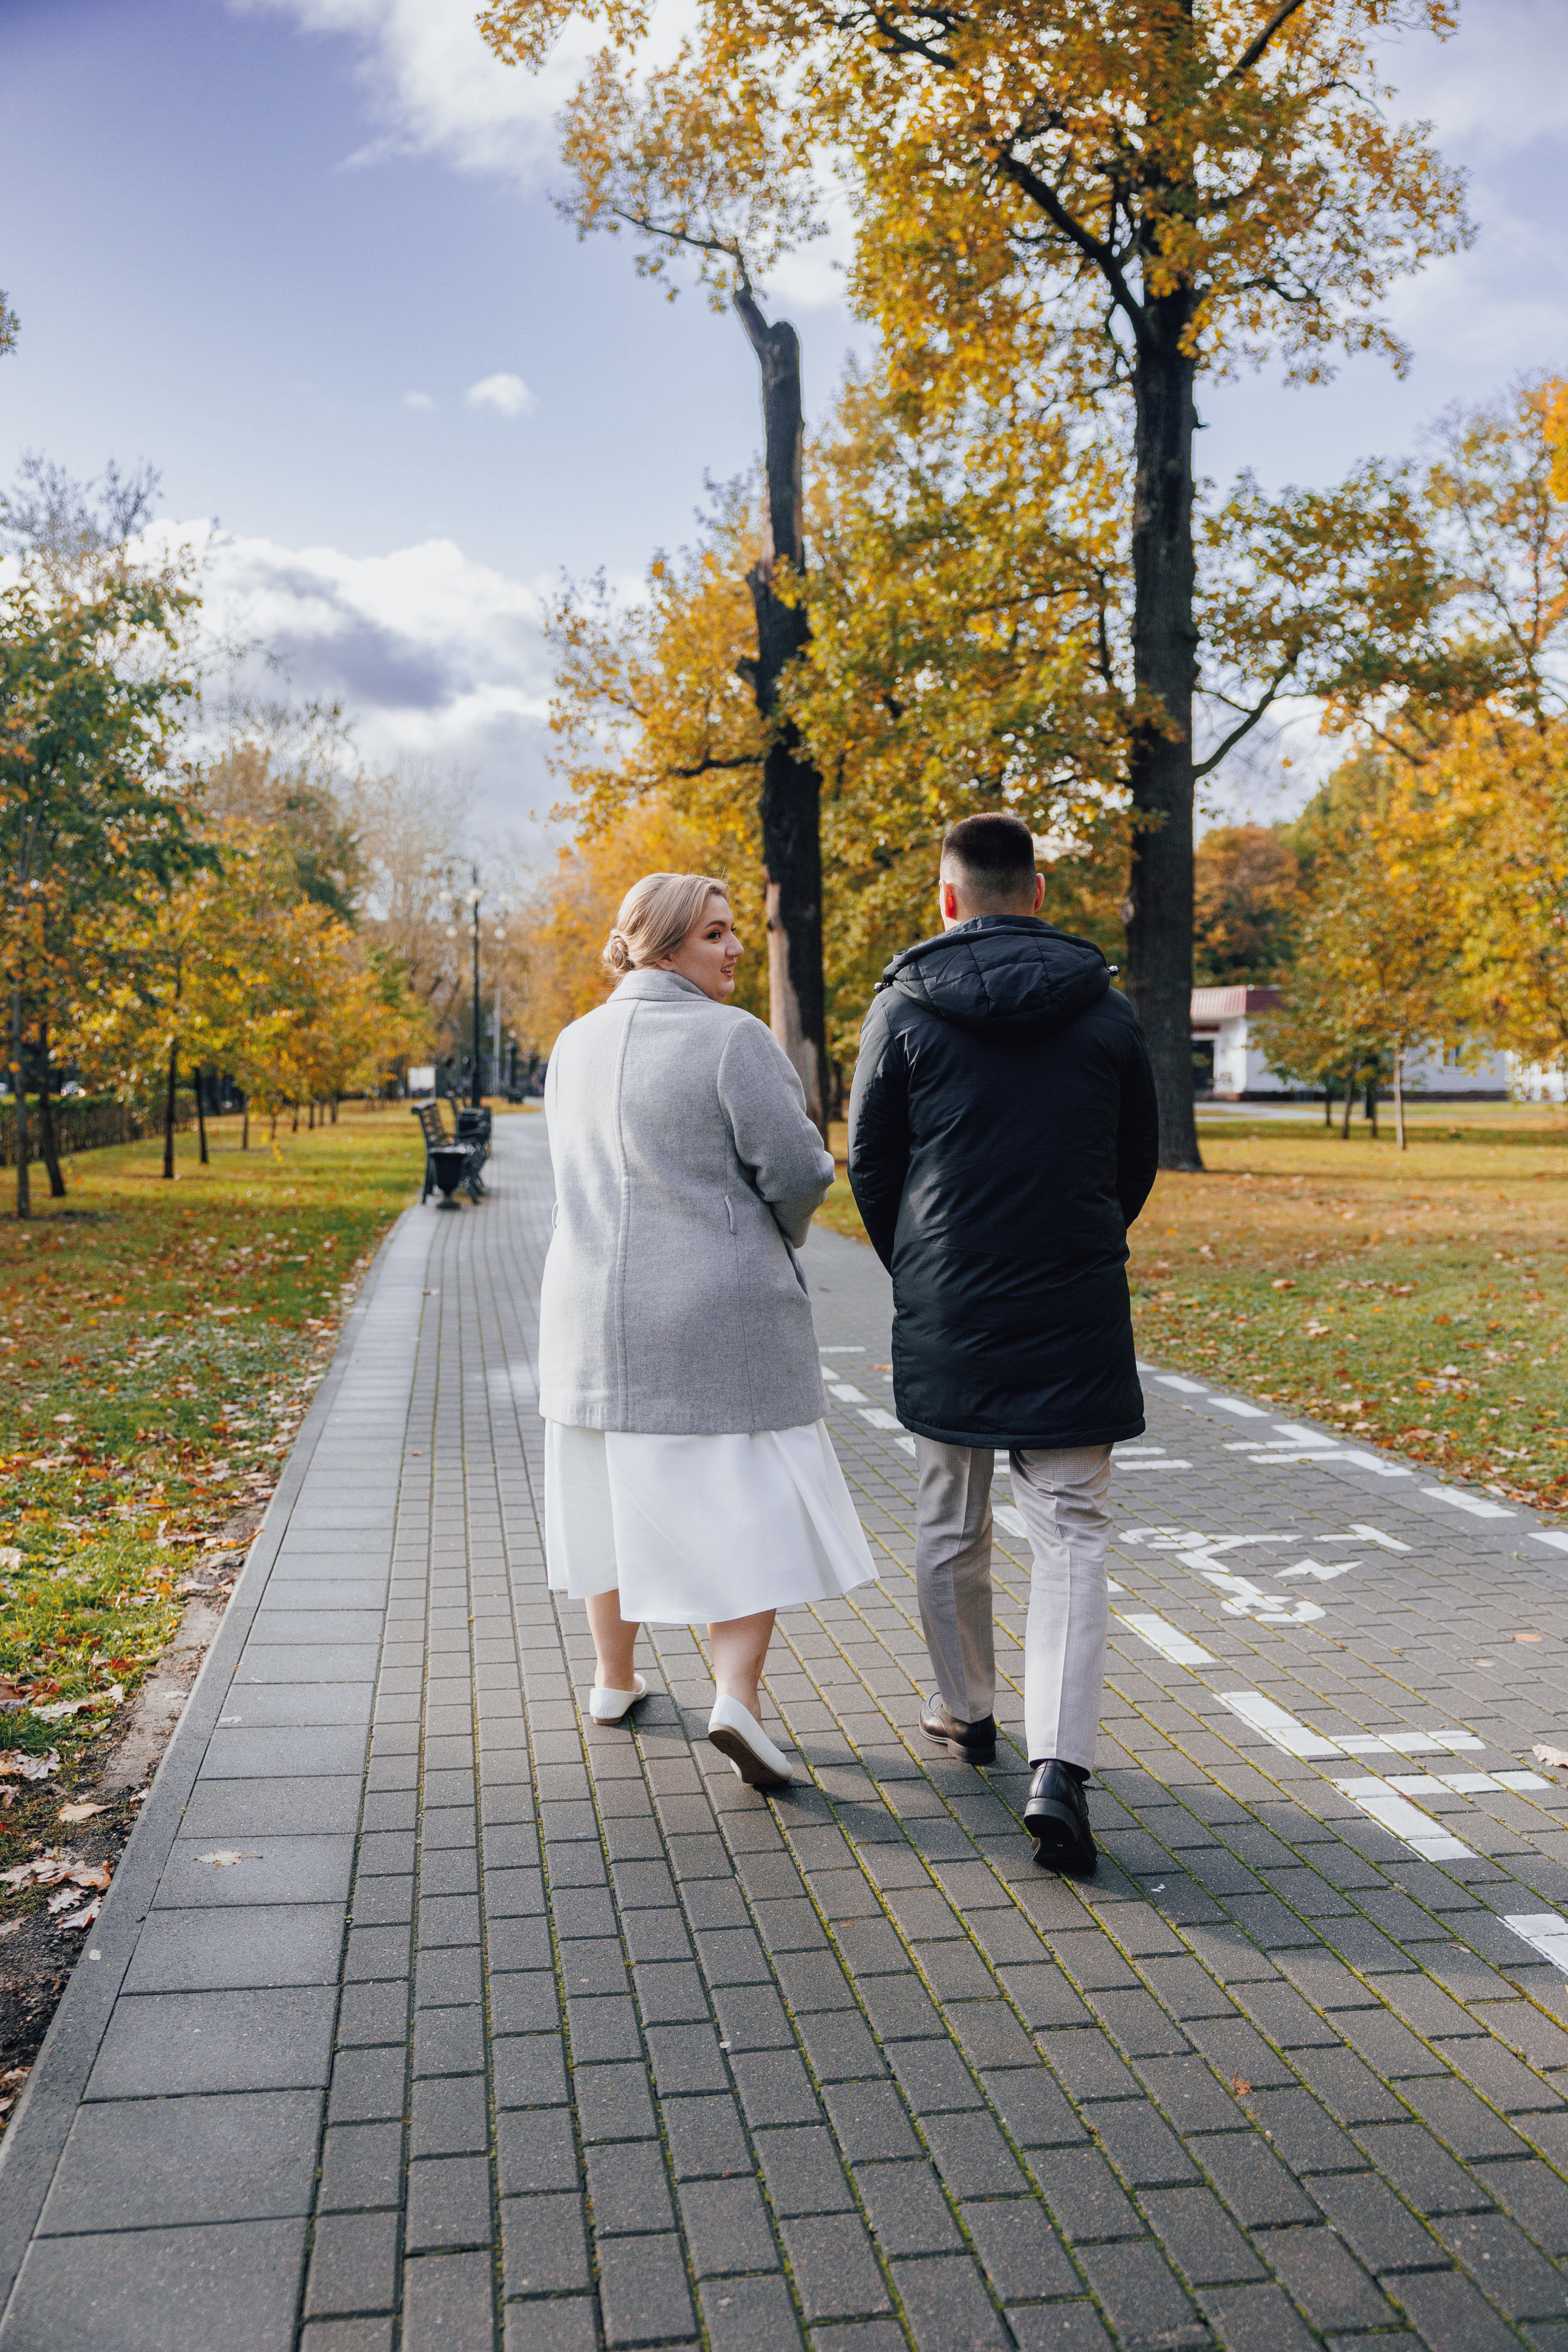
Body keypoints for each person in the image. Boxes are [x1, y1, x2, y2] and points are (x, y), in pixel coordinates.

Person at [847, 813, 1159, 1874]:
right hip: (1073, 1303)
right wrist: (1080, 1242)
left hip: (948, 1304)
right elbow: (1136, 1163)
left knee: (949, 1514)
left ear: (948, 897)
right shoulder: (1107, 1012)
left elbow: (870, 1165)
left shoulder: (900, 1010)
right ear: (1036, 890)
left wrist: (924, 1266)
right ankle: (1061, 1768)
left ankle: (968, 1712)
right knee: (1073, 1530)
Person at [538, 870, 878, 1789]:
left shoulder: (573, 1043)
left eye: (733, 931)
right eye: (715, 935)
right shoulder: (733, 1039)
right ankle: (737, 1701)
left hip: (585, 1310)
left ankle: (613, 1682)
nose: (735, 950)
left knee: (604, 1492)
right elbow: (802, 1171)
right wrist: (779, 1230)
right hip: (714, 1315)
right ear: (661, 947)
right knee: (748, 1507)